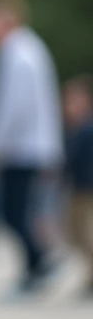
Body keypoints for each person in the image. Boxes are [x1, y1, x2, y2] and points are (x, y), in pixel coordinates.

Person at [0, 0, 63, 293]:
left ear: (5, 21)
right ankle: (37, 263)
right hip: (30, 146)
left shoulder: (16, 52)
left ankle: (38, 264)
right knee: (19, 210)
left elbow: (14, 106)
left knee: (13, 211)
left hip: (20, 148)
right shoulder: (29, 49)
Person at [62, 74, 93, 294]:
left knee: (79, 232)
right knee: (75, 233)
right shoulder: (75, 128)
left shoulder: (86, 128)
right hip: (78, 186)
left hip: (86, 187)